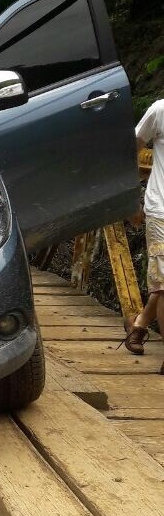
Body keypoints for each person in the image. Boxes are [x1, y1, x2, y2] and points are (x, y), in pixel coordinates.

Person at [120, 98, 164, 375]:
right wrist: (130, 199)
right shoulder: (160, 110)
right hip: (161, 210)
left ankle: (138, 325)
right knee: (163, 285)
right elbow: (129, 151)